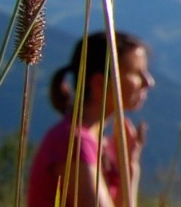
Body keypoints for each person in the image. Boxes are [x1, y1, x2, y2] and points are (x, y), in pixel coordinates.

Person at [27, 31, 154, 207]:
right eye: (136, 73)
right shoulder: (74, 142)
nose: (149, 82)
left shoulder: (90, 142)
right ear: (99, 83)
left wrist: (129, 168)